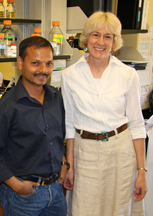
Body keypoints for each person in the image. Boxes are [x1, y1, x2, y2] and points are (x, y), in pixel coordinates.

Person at [61, 11, 147, 216]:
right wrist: (70, 165)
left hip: (121, 153)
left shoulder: (128, 74)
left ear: (115, 41)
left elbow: (136, 124)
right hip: (85, 154)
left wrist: (141, 171)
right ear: (86, 37)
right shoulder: (69, 75)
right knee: (84, 209)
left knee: (118, 209)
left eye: (108, 36)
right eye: (95, 35)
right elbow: (70, 125)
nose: (101, 42)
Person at [0, 36, 68, 216]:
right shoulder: (7, 107)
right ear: (20, 62)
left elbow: (58, 137)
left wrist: (64, 162)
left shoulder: (55, 97)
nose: (43, 70)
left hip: (56, 192)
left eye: (49, 64)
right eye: (35, 63)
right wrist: (17, 185)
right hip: (24, 195)